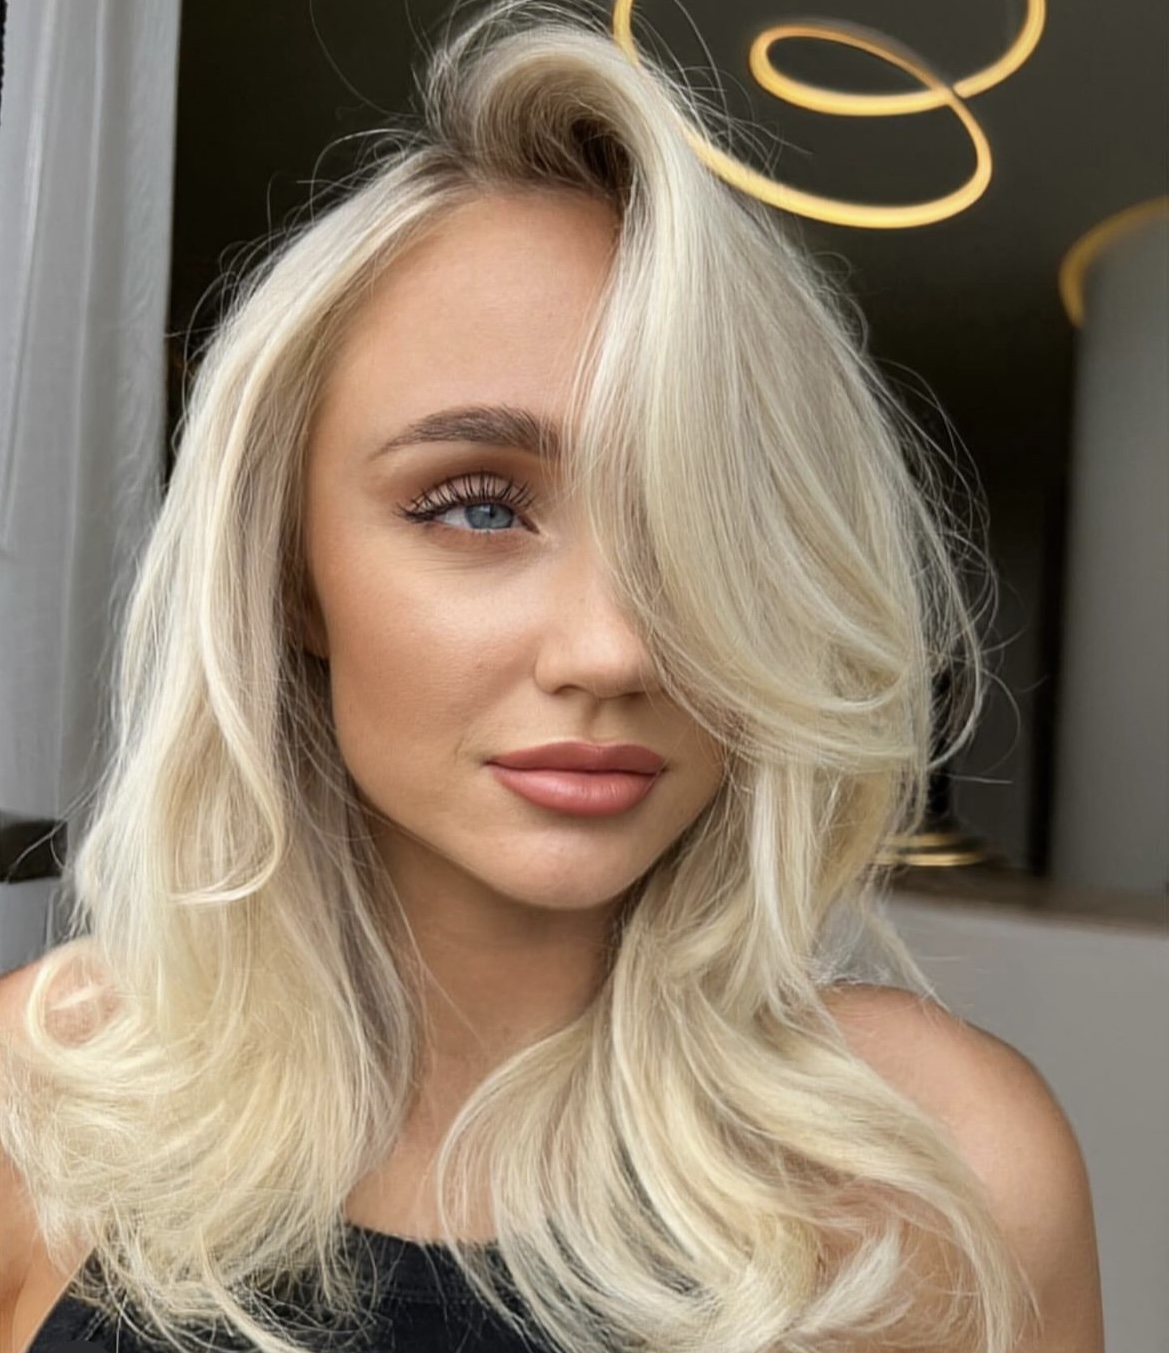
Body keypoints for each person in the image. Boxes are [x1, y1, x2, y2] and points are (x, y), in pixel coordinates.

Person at [0, 2, 1103, 1350]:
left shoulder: (941, 1172)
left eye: (699, 524)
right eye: (476, 506)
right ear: (289, 572)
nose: (614, 649)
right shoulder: (38, 1101)